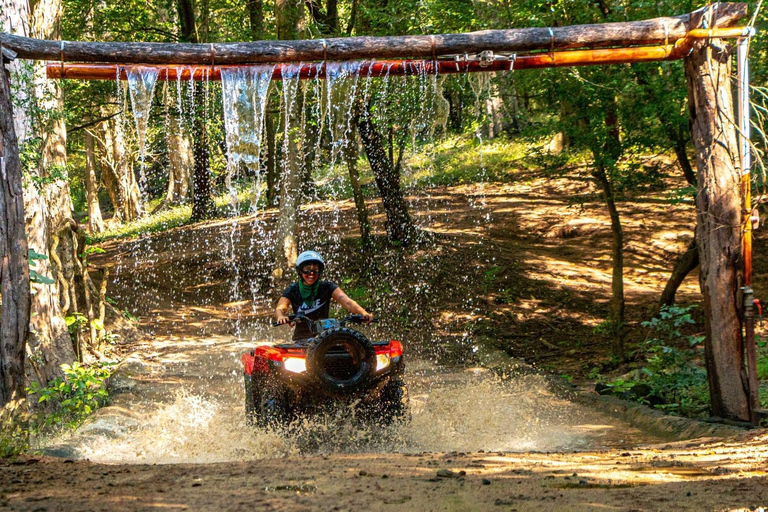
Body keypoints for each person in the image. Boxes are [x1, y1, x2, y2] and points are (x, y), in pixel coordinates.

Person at [275, 250, 373, 340]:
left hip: (325, 336)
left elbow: (346, 301)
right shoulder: (293, 289)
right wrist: (281, 317)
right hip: (301, 338)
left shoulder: (327, 286)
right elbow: (281, 307)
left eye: (316, 269)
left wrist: (363, 313)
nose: (311, 273)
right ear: (300, 271)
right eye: (307, 269)